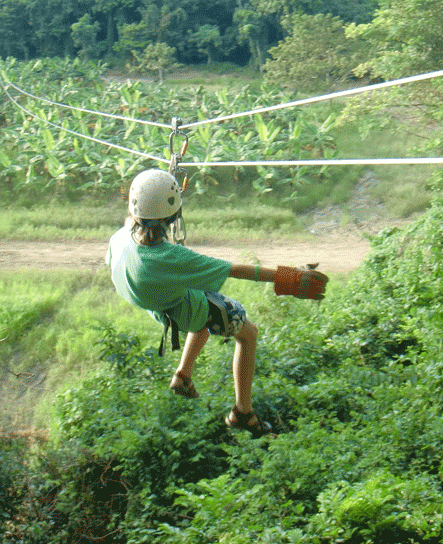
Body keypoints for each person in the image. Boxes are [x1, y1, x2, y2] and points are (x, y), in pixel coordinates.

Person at [105, 169, 328, 437]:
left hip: (159, 306)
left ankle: (183, 375)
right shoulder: (169, 257)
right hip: (186, 310)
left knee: (197, 318)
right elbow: (238, 270)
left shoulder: (120, 238)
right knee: (247, 334)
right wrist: (291, 278)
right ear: (173, 214)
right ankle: (242, 413)